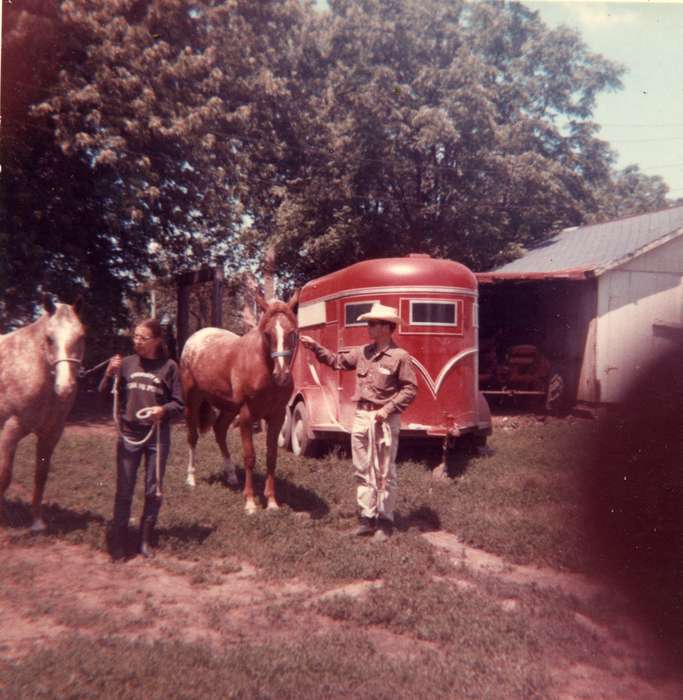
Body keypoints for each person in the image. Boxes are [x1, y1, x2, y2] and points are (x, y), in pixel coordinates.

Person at [300, 302, 417, 541]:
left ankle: (385, 521)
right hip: (362, 417)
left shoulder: (400, 357)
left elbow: (410, 389)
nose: (368, 327)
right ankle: (367, 518)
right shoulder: (362, 352)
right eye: (369, 323)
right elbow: (336, 362)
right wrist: (315, 348)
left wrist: (388, 408)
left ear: (387, 327)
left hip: (384, 419)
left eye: (373, 323)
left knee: (385, 471)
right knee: (362, 469)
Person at [99, 318, 183, 560]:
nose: (136, 341)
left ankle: (145, 540)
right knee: (124, 489)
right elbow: (103, 397)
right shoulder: (125, 364)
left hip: (157, 436)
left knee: (153, 489)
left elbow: (180, 404)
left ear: (157, 341)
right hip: (128, 435)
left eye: (142, 338)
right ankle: (119, 542)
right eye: (135, 336)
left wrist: (163, 410)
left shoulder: (170, 367)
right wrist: (108, 375)